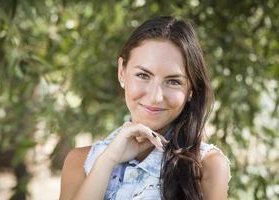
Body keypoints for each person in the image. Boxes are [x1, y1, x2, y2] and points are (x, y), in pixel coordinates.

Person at [59, 16, 231, 200]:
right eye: (143, 75)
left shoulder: (207, 167)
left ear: (190, 89)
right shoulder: (80, 162)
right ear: (122, 72)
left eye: (173, 81)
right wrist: (107, 160)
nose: (156, 97)